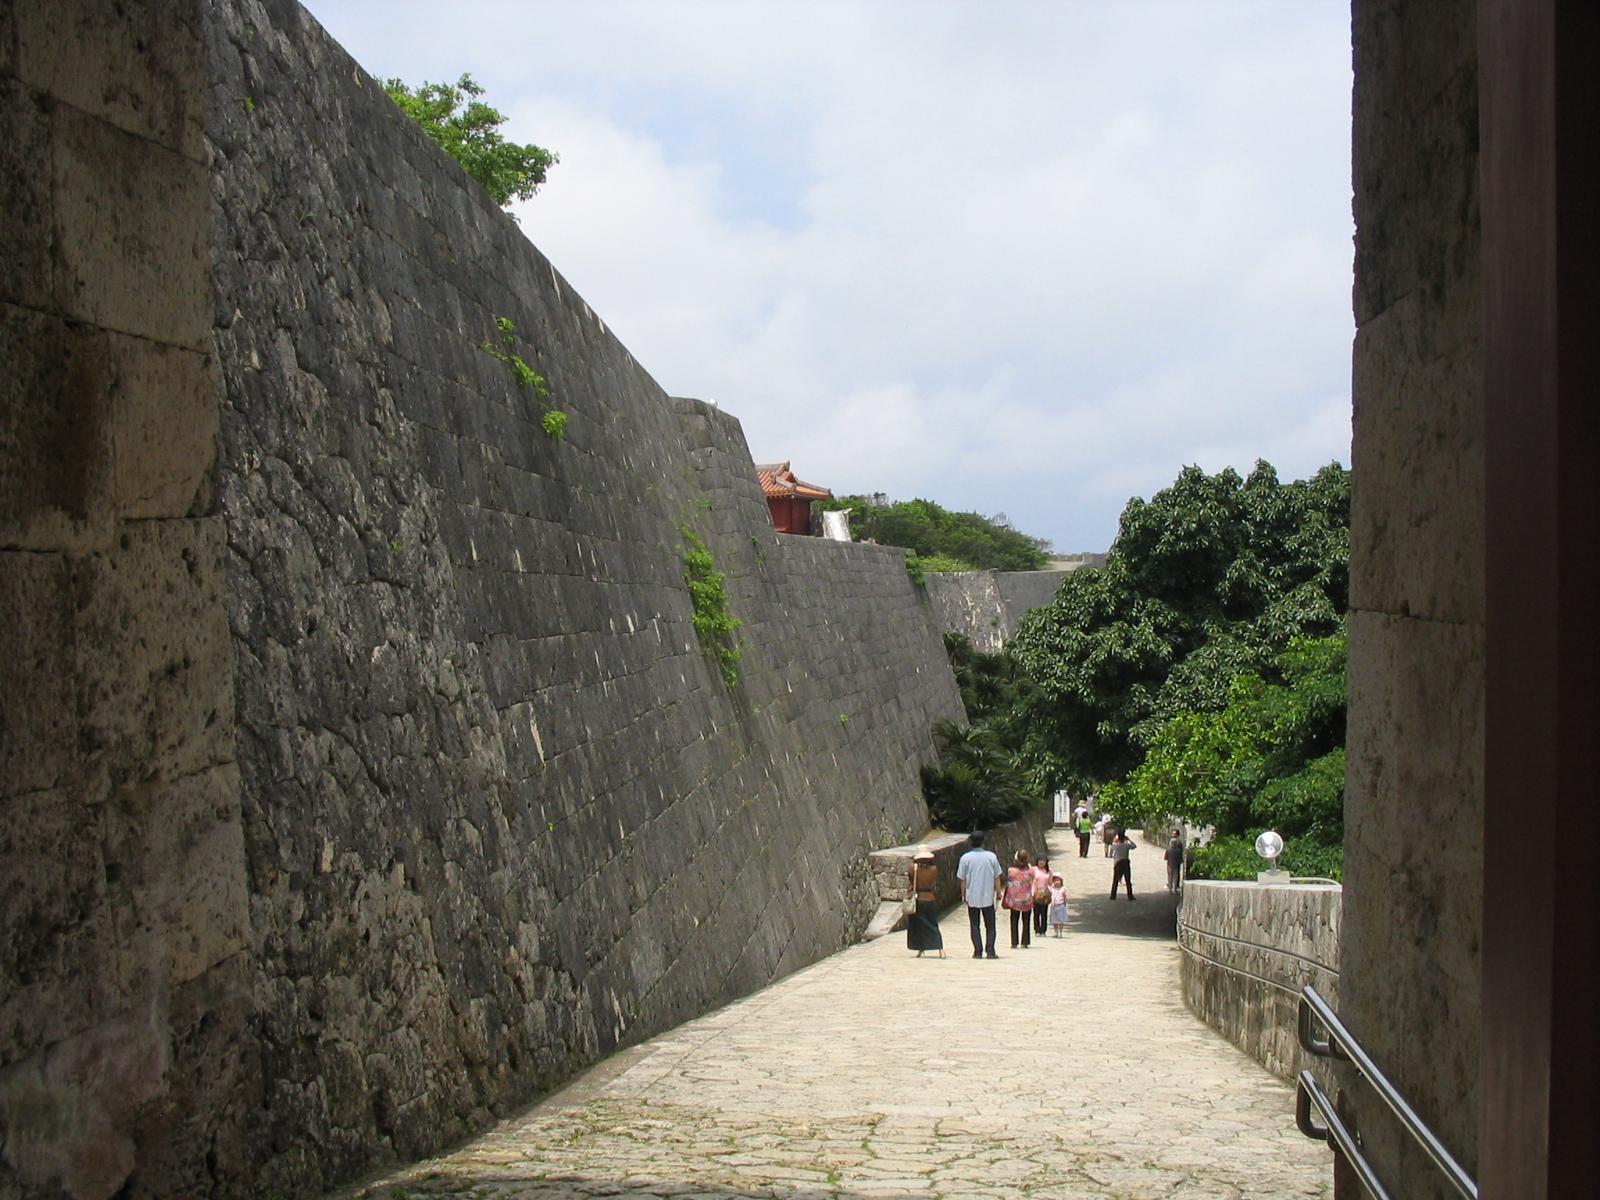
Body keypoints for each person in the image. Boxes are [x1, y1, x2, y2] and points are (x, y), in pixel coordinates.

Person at [956, 832, 1004, 958]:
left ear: (971, 842)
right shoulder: (991, 857)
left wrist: (963, 894)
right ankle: (990, 951)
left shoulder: (965, 858)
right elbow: (997, 877)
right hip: (987, 896)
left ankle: (977, 951)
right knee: (990, 925)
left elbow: (962, 879)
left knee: (974, 925)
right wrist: (999, 892)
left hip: (972, 896)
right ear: (983, 841)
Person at [906, 846, 945, 958]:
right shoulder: (934, 869)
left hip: (918, 898)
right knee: (932, 924)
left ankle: (921, 949)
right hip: (930, 898)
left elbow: (911, 880)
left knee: (918, 926)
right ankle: (940, 949)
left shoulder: (912, 868)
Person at [1003, 850, 1035, 949]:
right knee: (1026, 920)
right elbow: (1032, 875)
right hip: (1026, 899)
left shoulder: (1011, 871)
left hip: (1014, 900)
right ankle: (1025, 942)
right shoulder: (1030, 871)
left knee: (1014, 920)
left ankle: (1014, 942)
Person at [1110, 830, 1137, 900]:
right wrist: (1129, 840)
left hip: (1118, 863)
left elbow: (1111, 849)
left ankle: (1113, 895)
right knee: (1128, 881)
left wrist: (1115, 840)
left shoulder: (1115, 845)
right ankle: (1130, 896)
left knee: (1115, 881)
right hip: (1125, 863)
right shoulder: (1126, 845)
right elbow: (1134, 846)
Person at [1031, 855, 1052, 939]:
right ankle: (1037, 929)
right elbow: (1031, 881)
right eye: (1040, 860)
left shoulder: (1049, 871)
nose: (1041, 862)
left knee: (1044, 913)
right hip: (1036, 893)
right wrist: (1033, 893)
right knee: (1036, 913)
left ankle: (1043, 930)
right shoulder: (1034, 869)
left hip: (1045, 894)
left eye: (1043, 860)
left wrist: (1050, 892)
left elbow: (1051, 883)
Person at [1165, 829, 1185, 894]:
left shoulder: (1178, 843)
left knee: (1172, 876)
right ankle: (1174, 888)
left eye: (1175, 834)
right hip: (1175, 862)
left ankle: (1172, 887)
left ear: (1178, 835)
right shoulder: (1175, 844)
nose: (1173, 835)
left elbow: (1166, 857)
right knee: (1175, 875)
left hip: (1172, 863)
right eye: (1173, 834)